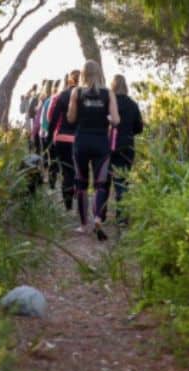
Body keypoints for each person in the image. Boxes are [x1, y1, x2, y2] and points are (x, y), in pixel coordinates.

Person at [67, 60, 119, 240]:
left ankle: (83, 224)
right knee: (101, 183)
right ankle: (98, 217)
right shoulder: (108, 93)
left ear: (83, 74)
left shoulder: (76, 92)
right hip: (101, 143)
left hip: (81, 141)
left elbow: (71, 118)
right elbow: (116, 121)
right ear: (99, 73)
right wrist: (105, 117)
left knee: (81, 183)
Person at [109, 74, 143, 224]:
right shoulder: (133, 104)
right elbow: (139, 127)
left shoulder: (109, 103)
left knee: (109, 181)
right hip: (128, 146)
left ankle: (102, 214)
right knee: (123, 181)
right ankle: (122, 216)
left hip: (111, 145)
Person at [45, 70, 80, 208]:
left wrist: (49, 137)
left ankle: (68, 203)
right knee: (78, 169)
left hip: (62, 138)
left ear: (70, 80)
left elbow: (53, 119)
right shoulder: (85, 95)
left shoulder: (62, 95)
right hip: (79, 139)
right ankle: (77, 192)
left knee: (66, 171)